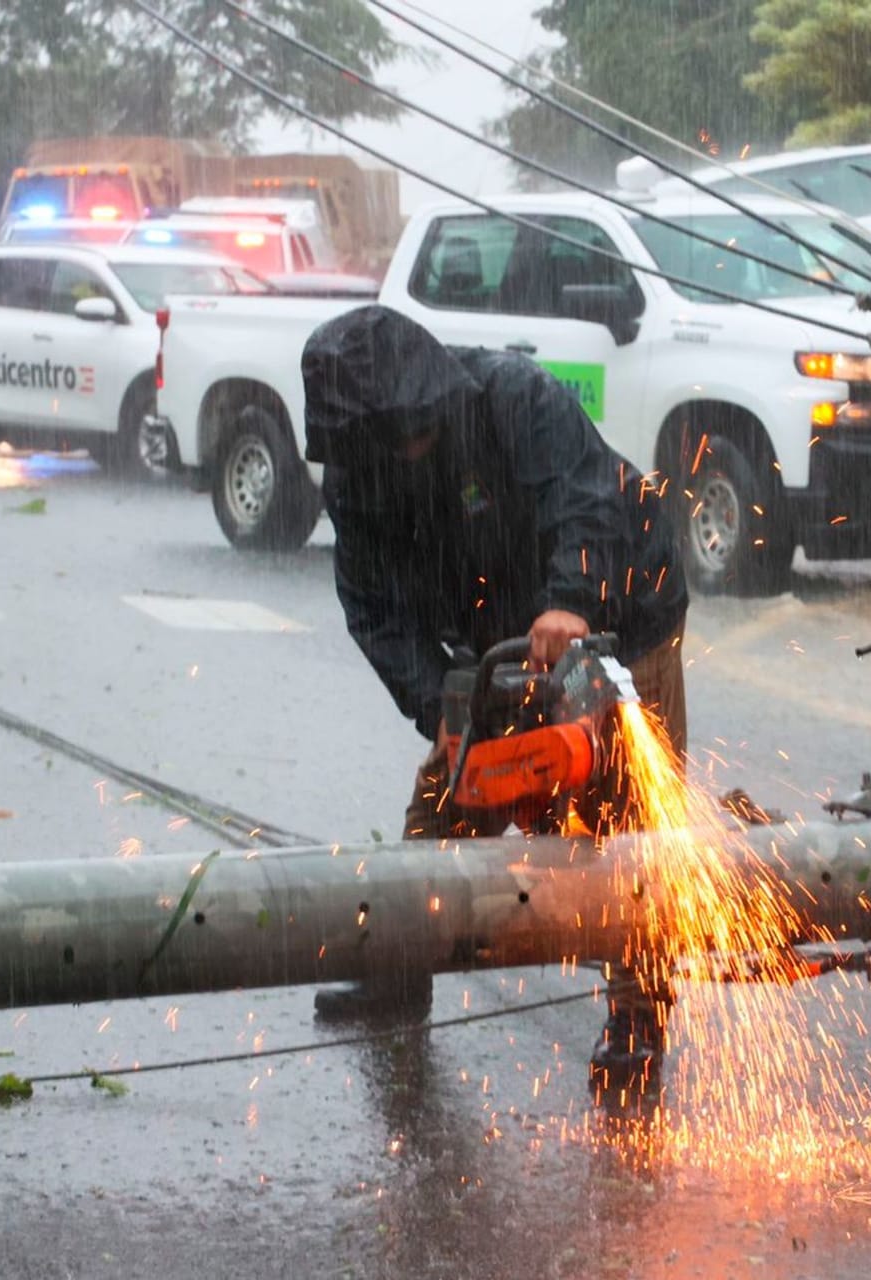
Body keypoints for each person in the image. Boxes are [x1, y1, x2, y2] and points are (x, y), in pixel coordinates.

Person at [302, 304, 689, 1016]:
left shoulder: (516, 396)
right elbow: (376, 610)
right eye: (396, 437)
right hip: (500, 635)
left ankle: (639, 1014)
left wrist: (573, 599)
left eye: (420, 428)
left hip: (621, 609)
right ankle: (399, 968)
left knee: (630, 820)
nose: (413, 444)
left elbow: (586, 494)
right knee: (440, 810)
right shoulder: (358, 482)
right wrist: (437, 707)